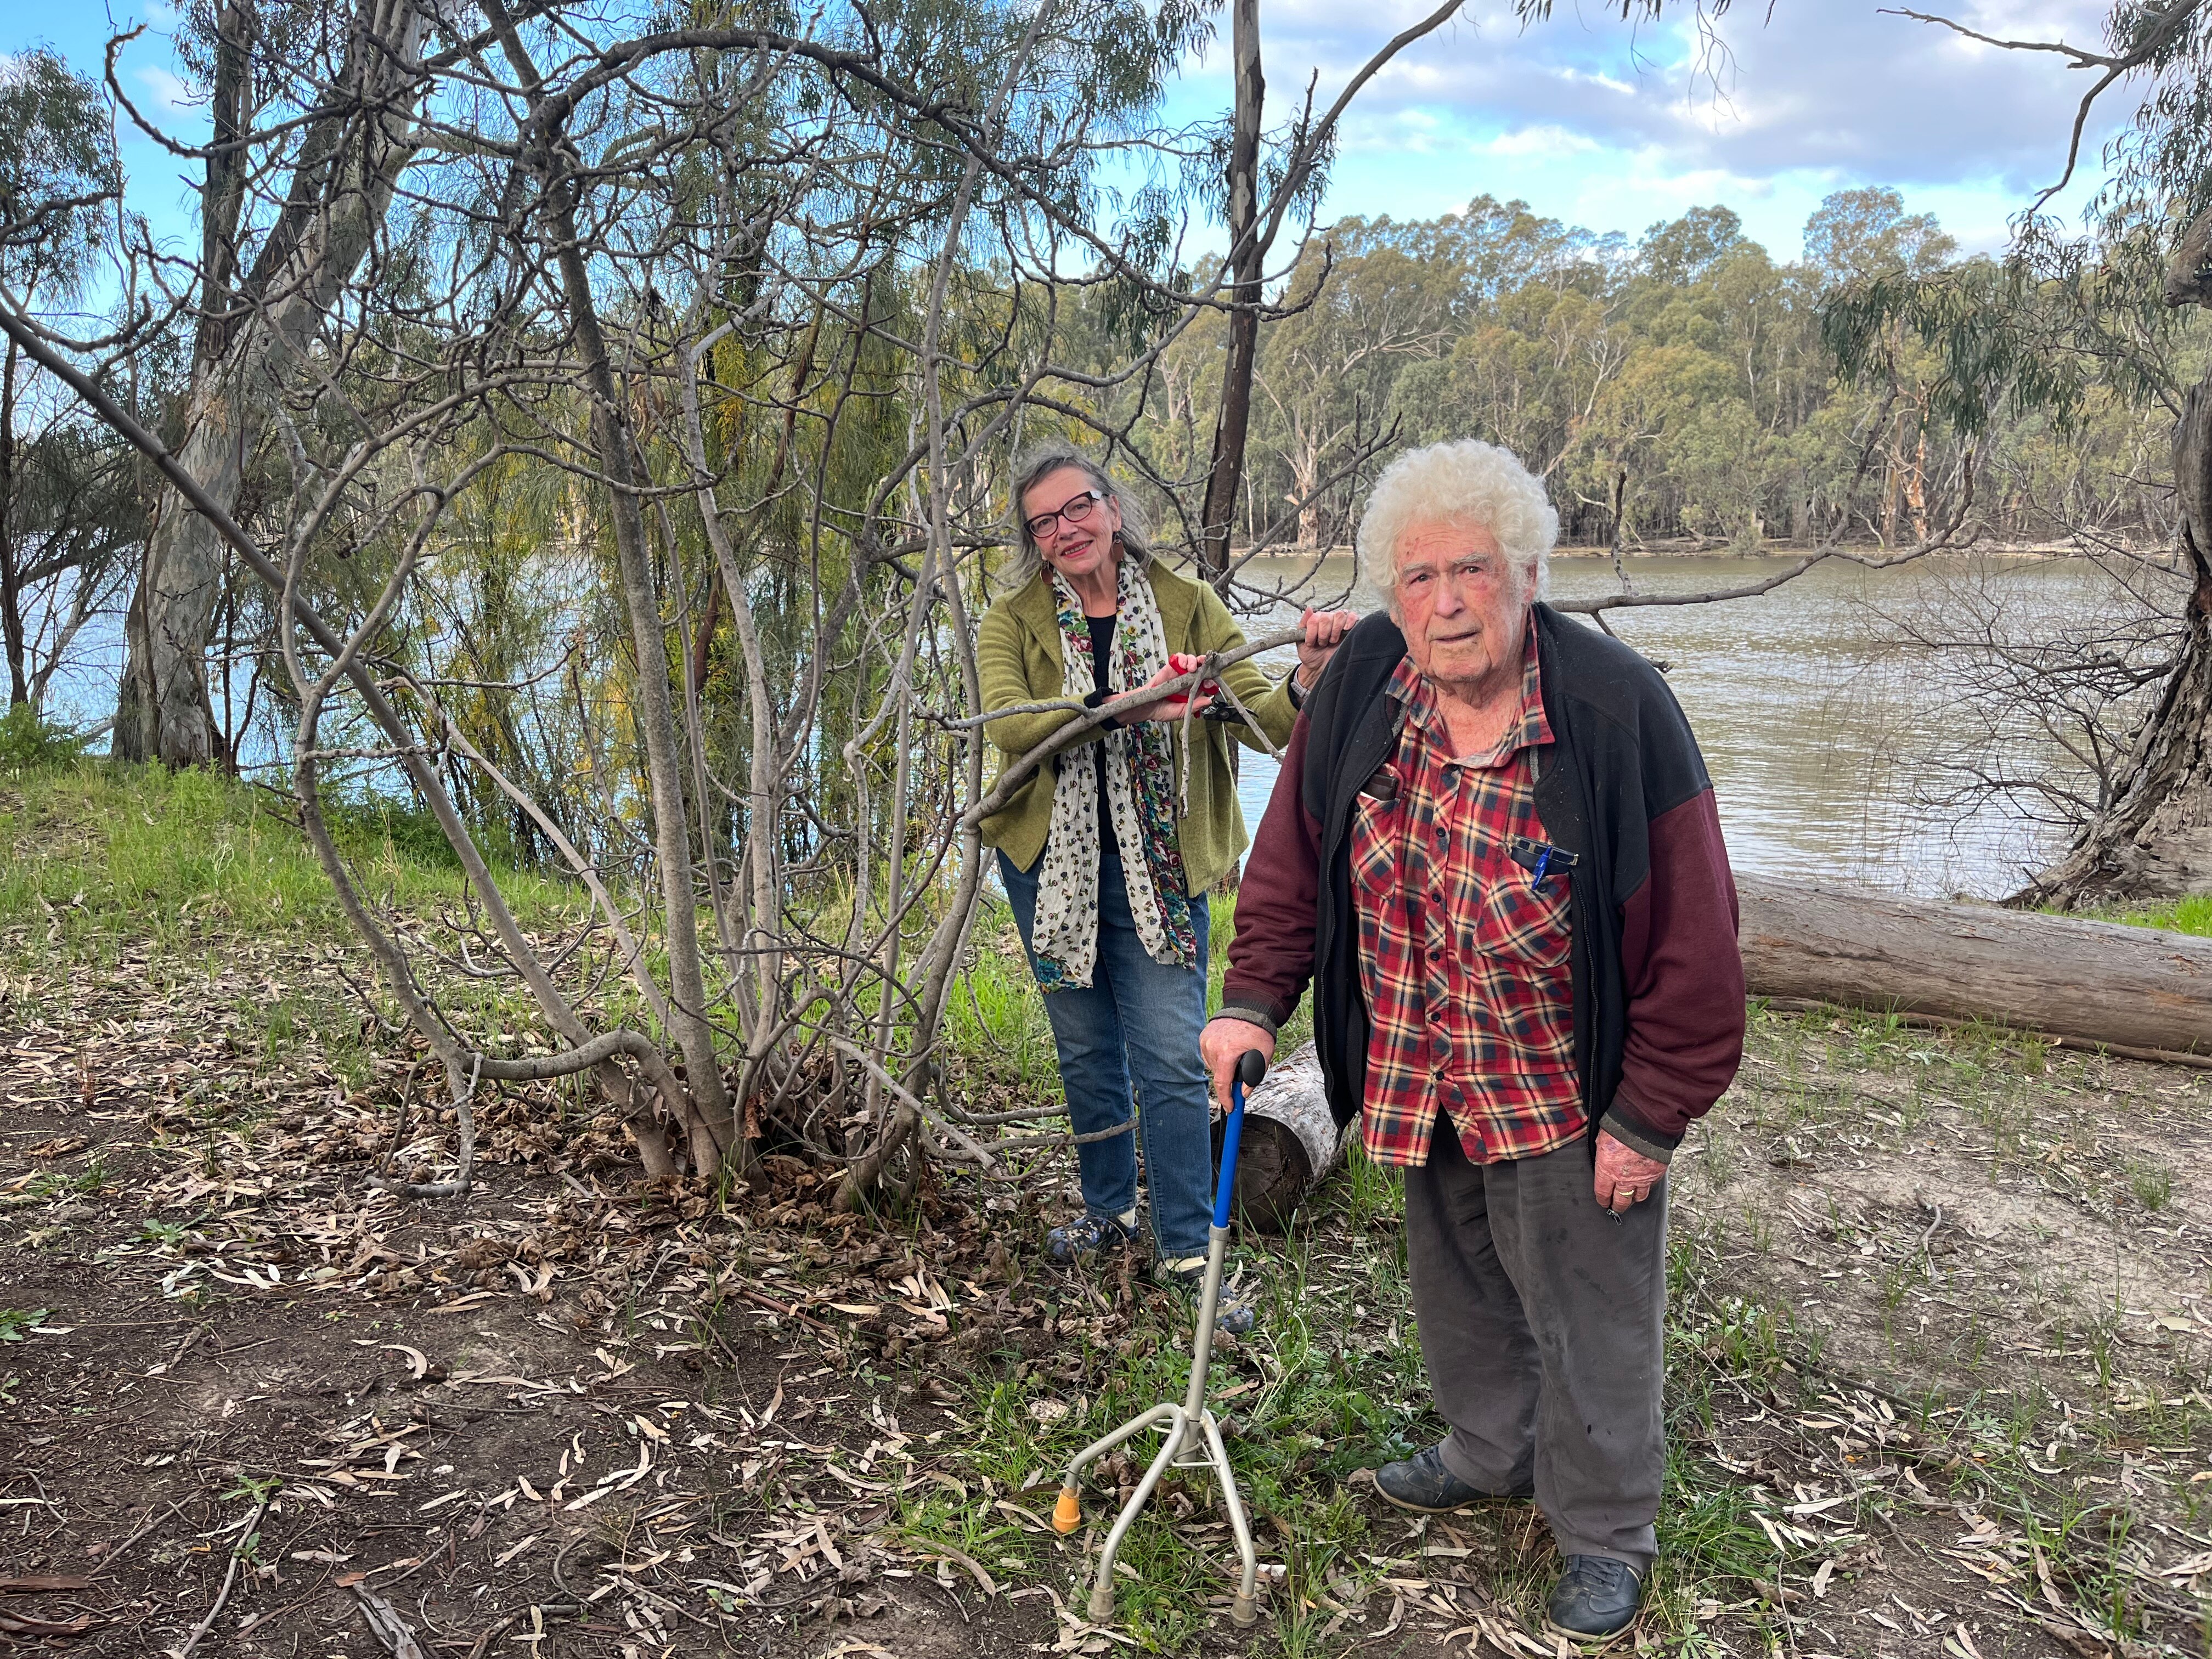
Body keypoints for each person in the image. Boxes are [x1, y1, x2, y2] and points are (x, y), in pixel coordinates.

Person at [1200, 439, 1744, 1640]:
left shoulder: (1615, 711)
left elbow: (1696, 941)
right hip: (1416, 1062)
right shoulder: (1361, 691)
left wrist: (1649, 1116)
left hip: (1564, 1086)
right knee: (1458, 1284)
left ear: (1529, 574)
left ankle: (1607, 1529)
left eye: (1473, 570)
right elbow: (1292, 855)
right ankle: (1492, 1451)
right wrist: (1251, 1002)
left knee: (1591, 1312)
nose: (1446, 602)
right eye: (1419, 578)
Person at [978, 442, 1355, 1331]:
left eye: (1078, 508)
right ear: (1032, 540)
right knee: (1084, 1054)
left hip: (1161, 866)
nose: (1065, 529)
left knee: (1173, 1062)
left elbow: (1269, 720)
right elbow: (1009, 724)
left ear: (1112, 508)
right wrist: (1128, 706)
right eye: (1044, 521)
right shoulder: (1013, 619)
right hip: (1053, 872)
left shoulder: (1187, 605)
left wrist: (1308, 676)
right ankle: (1108, 1217)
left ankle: (1187, 1252)